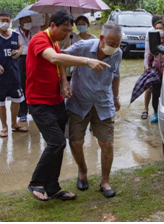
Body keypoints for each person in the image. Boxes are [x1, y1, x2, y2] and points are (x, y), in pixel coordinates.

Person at [25, 9, 110, 202]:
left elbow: (59, 62)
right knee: (57, 142)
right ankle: (36, 182)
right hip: (39, 103)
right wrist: (87, 61)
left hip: (56, 101)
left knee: (56, 145)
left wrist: (64, 82)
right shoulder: (39, 39)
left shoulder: (55, 43)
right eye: (64, 30)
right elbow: (55, 58)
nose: (66, 34)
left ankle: (53, 187)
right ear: (52, 25)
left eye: (68, 31)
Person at [62, 22, 123, 198]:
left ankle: (105, 181)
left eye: (117, 44)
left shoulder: (117, 53)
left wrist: (116, 97)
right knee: (75, 141)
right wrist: (64, 81)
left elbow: (116, 75)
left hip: (103, 103)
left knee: (107, 143)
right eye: (111, 43)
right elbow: (60, 58)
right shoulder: (83, 46)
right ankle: (82, 171)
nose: (114, 47)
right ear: (102, 39)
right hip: (79, 102)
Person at [16, 15, 41, 123]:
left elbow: (45, 26)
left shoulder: (34, 30)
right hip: (21, 59)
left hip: (33, 58)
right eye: (26, 20)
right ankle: (22, 113)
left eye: (29, 20)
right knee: (21, 84)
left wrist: (45, 14)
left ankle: (33, 111)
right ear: (20, 21)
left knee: (33, 84)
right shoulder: (15, 33)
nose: (28, 22)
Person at [147, 20, 164, 123]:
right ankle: (156, 113)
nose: (158, 30)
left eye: (161, 28)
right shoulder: (154, 40)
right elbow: (151, 54)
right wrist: (148, 65)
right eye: (157, 29)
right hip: (156, 71)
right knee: (155, 93)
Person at [141, 14, 163, 120]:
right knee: (149, 87)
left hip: (160, 66)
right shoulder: (151, 34)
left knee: (159, 89)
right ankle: (145, 109)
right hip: (150, 64)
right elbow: (150, 51)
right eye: (159, 24)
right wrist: (147, 64)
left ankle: (158, 111)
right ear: (155, 25)